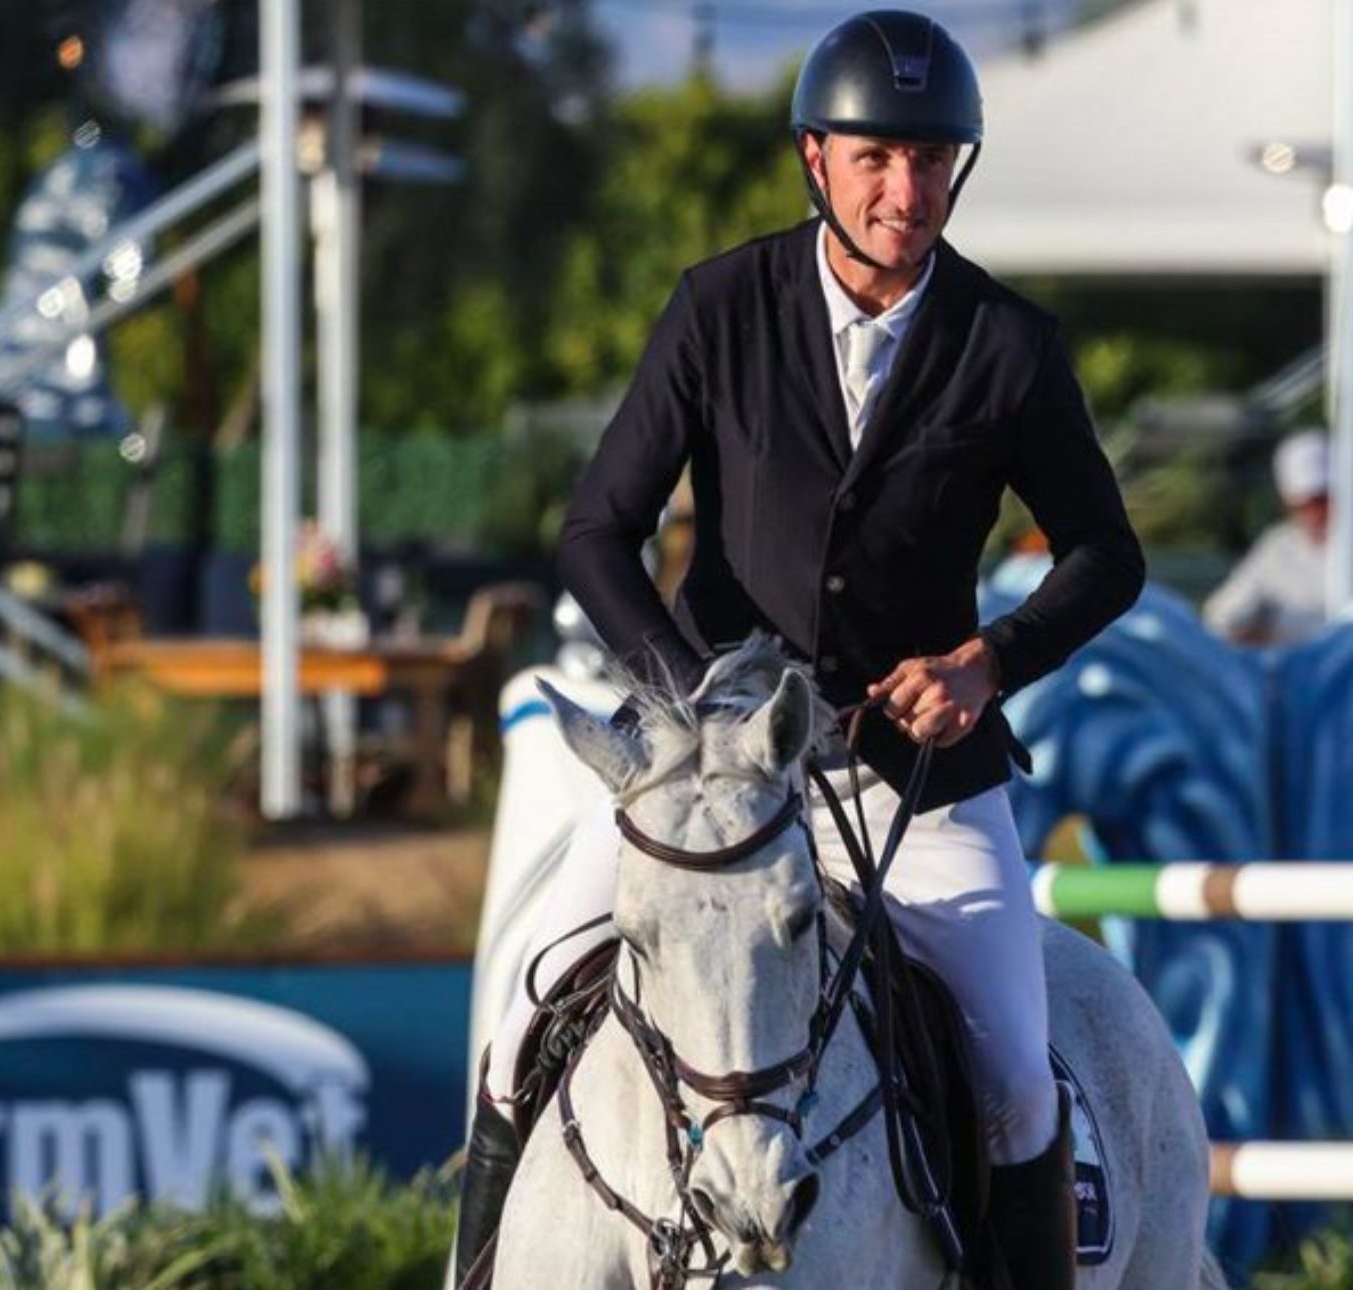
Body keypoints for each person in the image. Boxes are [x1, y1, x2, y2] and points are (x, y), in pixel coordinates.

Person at [449, 11, 1144, 1289]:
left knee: (1013, 1080)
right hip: (709, 785)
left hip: (914, 788)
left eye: (934, 160)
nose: (907, 189)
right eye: (877, 158)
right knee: (520, 1014)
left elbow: (1108, 555)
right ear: (815, 159)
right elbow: (599, 531)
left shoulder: (1009, 345)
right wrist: (689, 706)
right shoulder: (720, 306)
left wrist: (986, 663)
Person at [1201, 428, 1353, 645]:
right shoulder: (1277, 546)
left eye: (1322, 500)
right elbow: (1223, 614)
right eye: (1303, 505)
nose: (1315, 514)